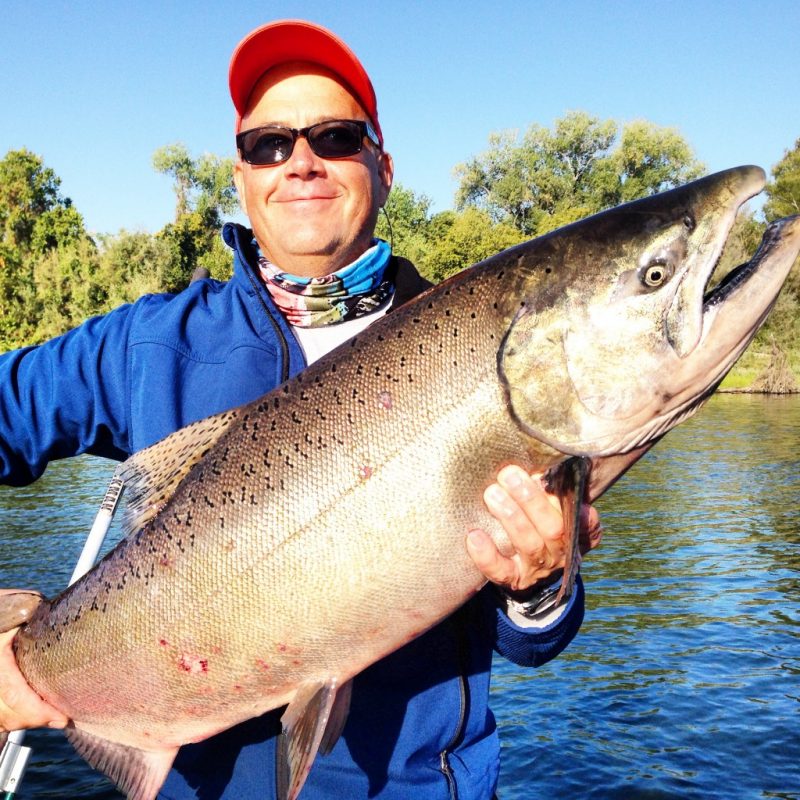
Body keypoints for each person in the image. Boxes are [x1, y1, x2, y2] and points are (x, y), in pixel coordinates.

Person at [0, 19, 601, 800]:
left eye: (335, 136)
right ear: (243, 175)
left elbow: (528, 643)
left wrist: (541, 590)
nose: (302, 164)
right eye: (270, 145)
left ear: (383, 167)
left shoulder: (486, 357)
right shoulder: (150, 343)